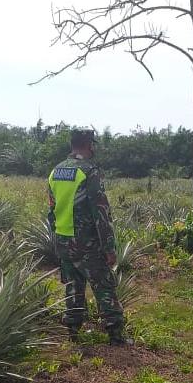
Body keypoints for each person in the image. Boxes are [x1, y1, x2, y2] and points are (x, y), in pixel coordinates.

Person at [47, 128, 130, 345]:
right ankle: (115, 335)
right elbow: (100, 212)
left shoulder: (55, 171)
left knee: (73, 286)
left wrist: (57, 241)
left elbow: (51, 210)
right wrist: (109, 247)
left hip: (63, 241)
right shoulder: (89, 171)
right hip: (87, 243)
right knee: (104, 285)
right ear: (88, 144)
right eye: (93, 144)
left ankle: (73, 331)